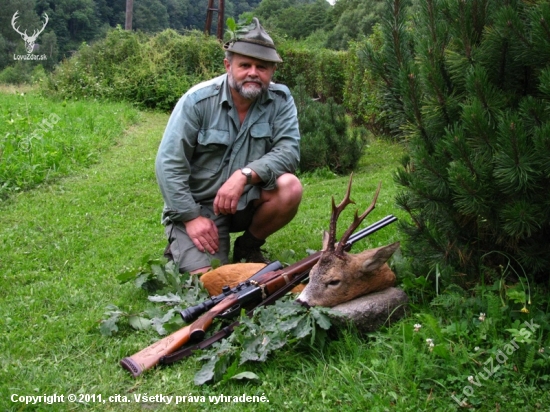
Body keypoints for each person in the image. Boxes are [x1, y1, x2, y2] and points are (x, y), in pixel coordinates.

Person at [155, 18, 302, 275]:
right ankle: (183, 240)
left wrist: (244, 176)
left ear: (272, 71)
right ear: (228, 65)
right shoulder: (197, 101)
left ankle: (248, 247)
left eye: (262, 67)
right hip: (200, 206)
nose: (253, 72)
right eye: (245, 65)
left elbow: (289, 150)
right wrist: (190, 218)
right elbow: (169, 164)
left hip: (246, 199)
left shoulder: (280, 99)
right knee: (211, 279)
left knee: (290, 187)